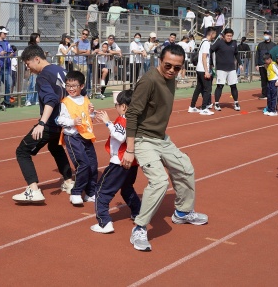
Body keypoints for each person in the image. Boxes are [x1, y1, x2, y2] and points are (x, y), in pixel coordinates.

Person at [125, 44, 208, 251]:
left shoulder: (171, 79)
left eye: (177, 68)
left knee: (185, 168)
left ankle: (182, 212)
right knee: (160, 182)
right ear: (160, 61)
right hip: (143, 139)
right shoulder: (149, 80)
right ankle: (139, 227)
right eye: (168, 65)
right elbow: (132, 114)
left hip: (161, 138)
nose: (172, 70)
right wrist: (130, 149)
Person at [12, 45, 75, 204]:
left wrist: (41, 123)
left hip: (51, 122)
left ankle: (33, 190)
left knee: (22, 151)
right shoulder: (61, 70)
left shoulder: (43, 77)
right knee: (55, 147)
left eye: (28, 64)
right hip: (63, 122)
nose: (28, 68)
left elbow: (51, 99)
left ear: (37, 59)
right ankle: (69, 182)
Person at [91, 89, 141, 233]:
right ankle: (138, 212)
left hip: (119, 161)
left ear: (123, 106)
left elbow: (120, 136)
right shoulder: (136, 119)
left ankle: (104, 222)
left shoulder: (123, 119)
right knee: (127, 188)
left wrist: (108, 122)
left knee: (102, 190)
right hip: (132, 162)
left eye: (117, 105)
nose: (115, 107)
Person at [56, 71, 98, 206]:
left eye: (74, 86)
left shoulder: (85, 99)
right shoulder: (65, 102)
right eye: (68, 86)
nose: (71, 89)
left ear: (82, 86)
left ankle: (90, 193)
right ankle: (76, 192)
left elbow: (88, 118)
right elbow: (59, 119)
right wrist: (72, 122)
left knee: (93, 165)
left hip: (86, 135)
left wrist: (91, 113)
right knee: (83, 164)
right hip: (73, 136)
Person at [210, 28, 241, 112]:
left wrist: (240, 63)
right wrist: (211, 62)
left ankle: (236, 102)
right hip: (221, 69)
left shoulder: (234, 43)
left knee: (233, 86)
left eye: (231, 36)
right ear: (224, 36)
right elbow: (210, 50)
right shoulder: (219, 43)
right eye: (228, 36)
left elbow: (236, 54)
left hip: (231, 68)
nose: (229, 37)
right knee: (220, 86)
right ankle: (216, 103)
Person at [189, 27, 216, 116]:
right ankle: (204, 108)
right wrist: (206, 71)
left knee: (199, 88)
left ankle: (192, 106)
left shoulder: (202, 41)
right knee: (208, 89)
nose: (215, 36)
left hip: (199, 68)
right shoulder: (207, 43)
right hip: (203, 69)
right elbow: (204, 57)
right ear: (211, 34)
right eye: (215, 34)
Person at [256, 31, 276, 99]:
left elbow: (275, 55)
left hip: (271, 65)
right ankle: (264, 94)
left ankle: (271, 93)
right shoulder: (260, 45)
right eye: (265, 34)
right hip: (262, 65)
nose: (266, 36)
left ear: (270, 36)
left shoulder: (274, 45)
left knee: (271, 79)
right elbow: (257, 55)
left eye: (267, 34)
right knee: (263, 80)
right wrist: (256, 64)